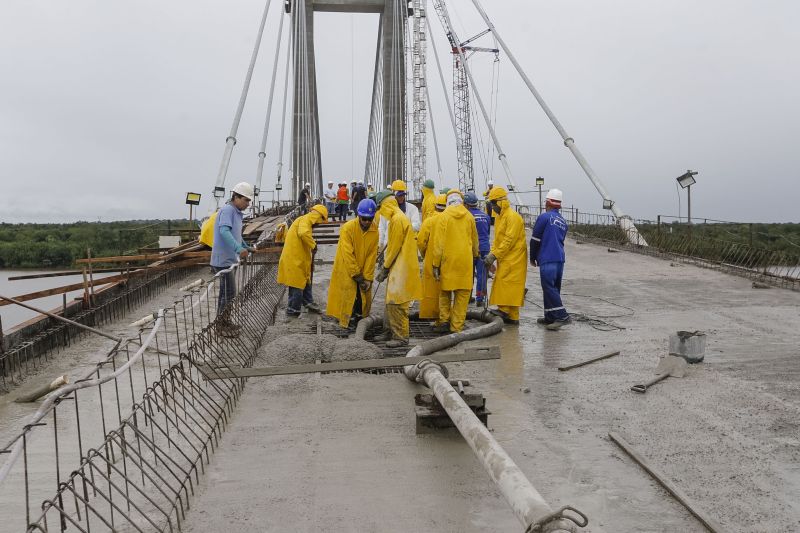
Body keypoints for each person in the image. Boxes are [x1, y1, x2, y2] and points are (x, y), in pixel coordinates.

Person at [374, 190, 422, 347]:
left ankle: (400, 337)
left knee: (397, 302)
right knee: (390, 301)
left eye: (380, 208)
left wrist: (384, 268)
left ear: (385, 205)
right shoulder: (398, 217)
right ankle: (388, 330)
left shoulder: (396, 220)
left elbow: (394, 247)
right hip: (398, 264)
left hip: (401, 266)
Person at [211, 182, 255, 337]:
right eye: (246, 200)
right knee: (228, 293)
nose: (248, 204)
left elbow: (236, 234)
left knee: (227, 293)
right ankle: (221, 327)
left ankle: (224, 322)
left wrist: (245, 246)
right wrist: (238, 249)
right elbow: (224, 231)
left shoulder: (236, 212)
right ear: (236, 197)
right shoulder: (228, 210)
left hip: (230, 259)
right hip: (222, 260)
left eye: (249, 201)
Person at [326, 199, 378, 328]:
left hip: (363, 267)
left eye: (369, 219)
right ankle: (345, 320)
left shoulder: (374, 230)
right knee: (347, 294)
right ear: (358, 216)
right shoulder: (348, 228)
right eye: (364, 218)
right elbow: (348, 254)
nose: (367, 222)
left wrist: (367, 277)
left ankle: (360, 319)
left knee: (362, 296)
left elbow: (372, 256)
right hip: (346, 266)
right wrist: (357, 274)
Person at [432, 190, 478, 333]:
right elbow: (475, 241)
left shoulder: (443, 217)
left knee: (445, 292)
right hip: (465, 262)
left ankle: (444, 321)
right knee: (463, 295)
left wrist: (435, 264)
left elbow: (438, 244)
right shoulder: (469, 217)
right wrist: (475, 255)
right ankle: (456, 327)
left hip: (448, 262)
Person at [483, 186, 527, 325]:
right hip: (506, 256)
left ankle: (504, 310)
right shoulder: (499, 217)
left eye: (493, 203)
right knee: (509, 284)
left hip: (515, 256)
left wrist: (494, 255)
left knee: (509, 283)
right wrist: (492, 254)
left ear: (501, 202)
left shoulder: (513, 217)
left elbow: (509, 240)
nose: (492, 207)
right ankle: (513, 317)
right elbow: (497, 239)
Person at [277, 204, 328, 317]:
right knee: (297, 287)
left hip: (299, 258)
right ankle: (292, 311)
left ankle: (308, 303)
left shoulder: (304, 220)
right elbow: (303, 233)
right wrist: (313, 244)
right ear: (318, 217)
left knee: (305, 281)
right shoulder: (306, 220)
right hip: (293, 259)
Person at [530, 188, 570, 330]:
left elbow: (535, 239)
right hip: (560, 258)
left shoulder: (544, 217)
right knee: (554, 288)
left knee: (548, 287)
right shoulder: (564, 222)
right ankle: (550, 316)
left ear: (547, 202)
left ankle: (562, 316)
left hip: (548, 257)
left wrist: (532, 257)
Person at [417, 193, 447, 324]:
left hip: (430, 257)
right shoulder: (449, 220)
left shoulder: (429, 221)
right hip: (446, 259)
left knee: (429, 288)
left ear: (435, 206)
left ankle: (429, 315)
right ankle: (444, 316)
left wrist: (424, 254)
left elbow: (421, 241)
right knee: (445, 289)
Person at [378, 180, 421, 250]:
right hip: (390, 246)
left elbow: (417, 225)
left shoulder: (412, 208)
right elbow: (382, 228)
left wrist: (402, 227)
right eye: (399, 196)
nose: (401, 198)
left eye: (403, 195)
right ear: (393, 195)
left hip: (406, 246)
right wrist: (379, 244)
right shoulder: (386, 210)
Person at [465, 192, 491, 305]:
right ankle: (481, 298)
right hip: (485, 247)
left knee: (468, 274)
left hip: (471, 248)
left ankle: (467, 297)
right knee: (482, 274)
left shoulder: (466, 216)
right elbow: (487, 232)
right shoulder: (486, 216)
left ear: (466, 204)